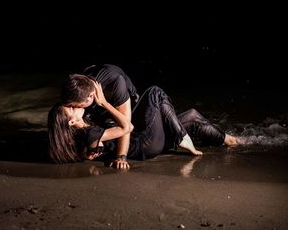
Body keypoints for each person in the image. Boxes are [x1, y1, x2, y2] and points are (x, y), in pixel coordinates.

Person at [48, 81, 241, 166]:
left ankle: (230, 140)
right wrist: (104, 103)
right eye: (71, 107)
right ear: (72, 121)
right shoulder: (88, 135)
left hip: (145, 141)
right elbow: (127, 128)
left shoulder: (84, 132)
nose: (75, 105)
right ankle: (182, 138)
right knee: (154, 93)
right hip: (144, 145)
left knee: (190, 116)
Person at [59, 64, 139, 169]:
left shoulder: (115, 83)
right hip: (99, 109)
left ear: (91, 96)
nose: (75, 108)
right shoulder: (80, 84)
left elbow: (127, 125)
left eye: (76, 106)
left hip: (130, 106)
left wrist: (121, 157)